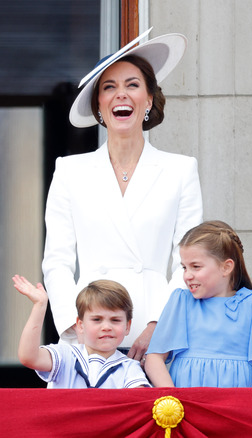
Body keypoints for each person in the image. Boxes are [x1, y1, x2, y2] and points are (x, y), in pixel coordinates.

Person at [42, 29, 203, 361]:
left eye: (132, 85)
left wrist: (160, 325)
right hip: (88, 329)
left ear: (148, 99)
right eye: (109, 87)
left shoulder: (180, 170)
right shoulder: (70, 170)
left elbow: (188, 262)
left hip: (157, 333)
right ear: (98, 105)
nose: (121, 95)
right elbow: (56, 262)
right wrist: (74, 327)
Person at [144, 221, 252, 388]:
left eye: (196, 267)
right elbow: (154, 358)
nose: (187, 275)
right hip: (186, 406)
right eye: (184, 267)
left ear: (226, 267)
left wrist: (248, 406)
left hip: (234, 408)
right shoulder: (181, 302)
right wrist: (174, 399)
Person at [13, 276, 150, 388]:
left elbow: (138, 403)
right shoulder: (64, 356)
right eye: (97, 319)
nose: (106, 327)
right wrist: (40, 305)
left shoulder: (130, 368)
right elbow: (29, 357)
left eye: (115, 320)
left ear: (127, 326)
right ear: (80, 325)